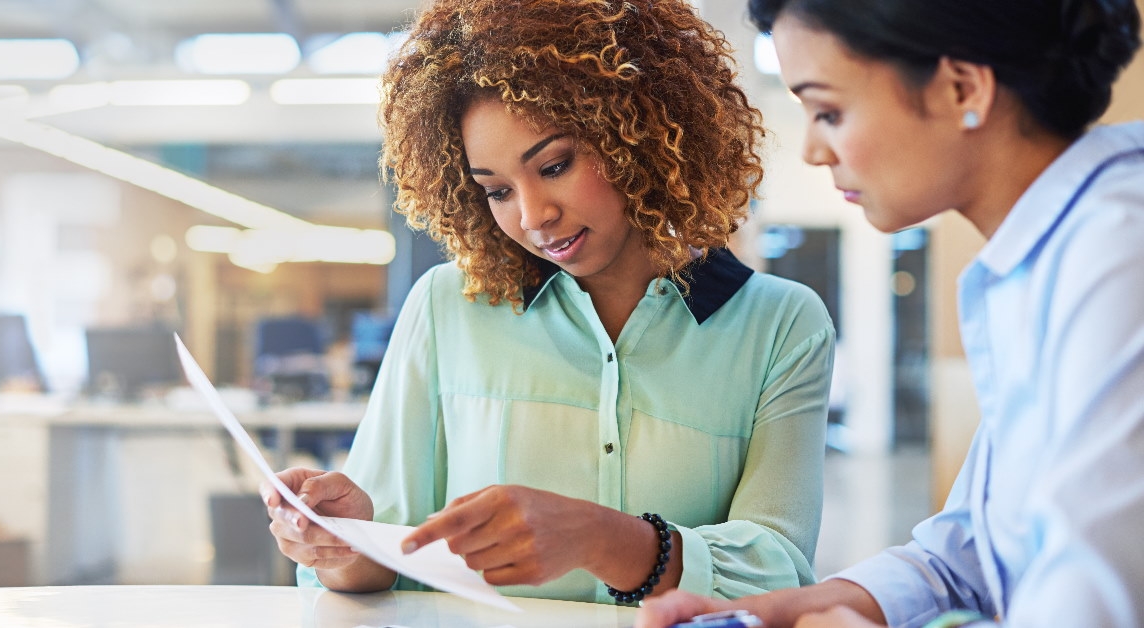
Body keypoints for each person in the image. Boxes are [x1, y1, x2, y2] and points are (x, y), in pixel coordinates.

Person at [261, 0, 836, 606]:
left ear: (635, 133)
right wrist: (345, 546)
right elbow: (387, 562)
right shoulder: (446, 306)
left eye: (555, 165)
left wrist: (605, 539)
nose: (533, 217)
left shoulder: (781, 326)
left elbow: (781, 570)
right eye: (498, 191)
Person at [636, 0, 1144, 626]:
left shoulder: (1120, 248)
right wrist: (762, 614)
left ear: (962, 87)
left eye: (828, 111)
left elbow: (1092, 607)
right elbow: (960, 563)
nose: (814, 151)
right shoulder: (1032, 263)